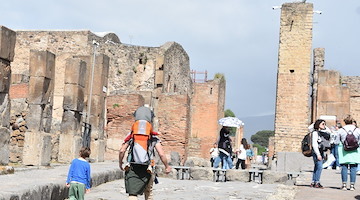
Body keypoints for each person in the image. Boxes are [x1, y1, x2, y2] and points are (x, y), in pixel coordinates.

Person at [119, 130, 171, 200]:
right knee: (148, 193)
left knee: (132, 194)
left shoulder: (132, 134)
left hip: (132, 167)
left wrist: (120, 163)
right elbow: (161, 154)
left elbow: (122, 150)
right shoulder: (153, 136)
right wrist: (167, 166)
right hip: (148, 167)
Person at [337, 115, 360, 191]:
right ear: (352, 121)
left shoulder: (341, 130)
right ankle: (352, 186)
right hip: (355, 150)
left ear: (345, 122)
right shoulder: (357, 130)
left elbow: (337, 141)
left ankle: (344, 185)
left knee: (344, 167)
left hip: (344, 150)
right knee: (353, 167)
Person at [310, 119, 330, 189]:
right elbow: (314, 144)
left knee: (316, 167)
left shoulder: (322, 132)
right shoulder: (315, 133)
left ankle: (314, 181)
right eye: (322, 124)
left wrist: (324, 126)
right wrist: (318, 154)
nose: (324, 125)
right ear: (318, 124)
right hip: (316, 151)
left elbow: (329, 131)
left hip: (320, 151)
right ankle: (317, 182)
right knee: (319, 167)